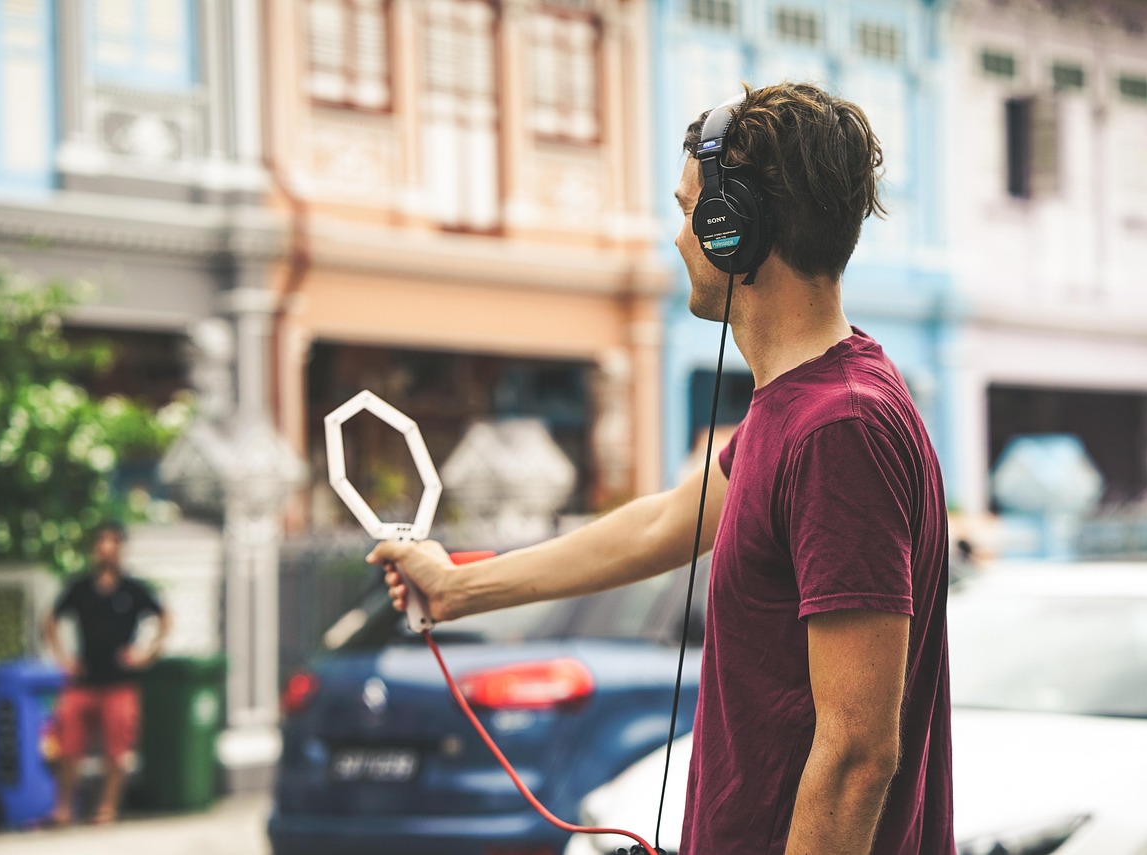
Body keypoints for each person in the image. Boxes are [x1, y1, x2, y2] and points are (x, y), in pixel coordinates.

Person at [369, 82, 954, 855]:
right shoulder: (797, 408)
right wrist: (460, 587)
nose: (677, 239)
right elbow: (663, 523)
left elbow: (857, 753)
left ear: (734, 229)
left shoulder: (839, 426)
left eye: (688, 212)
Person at [41, 521, 170, 825]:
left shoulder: (132, 589)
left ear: (121, 548)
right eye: (101, 542)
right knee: (67, 745)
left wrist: (147, 653)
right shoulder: (81, 587)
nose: (106, 548)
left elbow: (164, 618)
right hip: (83, 680)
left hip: (120, 682)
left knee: (117, 750)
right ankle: (62, 808)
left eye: (112, 542)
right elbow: (50, 619)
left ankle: (107, 808)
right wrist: (62, 658)